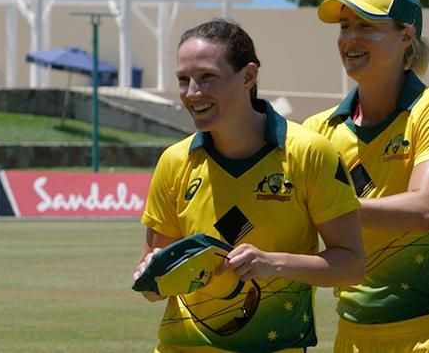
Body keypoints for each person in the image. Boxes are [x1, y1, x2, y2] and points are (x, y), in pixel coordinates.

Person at [133, 19, 365, 353]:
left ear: (248, 76)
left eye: (207, 76)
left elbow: (352, 264)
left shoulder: (309, 152)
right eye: (184, 80)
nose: (192, 92)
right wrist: (153, 274)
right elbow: (152, 289)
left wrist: (274, 264)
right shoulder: (174, 161)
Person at [303, 0, 429, 352]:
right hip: (351, 335)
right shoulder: (318, 130)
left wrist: (330, 205)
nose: (350, 37)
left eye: (367, 25)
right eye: (344, 25)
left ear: (406, 36)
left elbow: (427, 210)